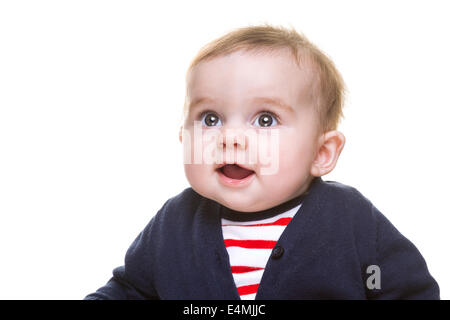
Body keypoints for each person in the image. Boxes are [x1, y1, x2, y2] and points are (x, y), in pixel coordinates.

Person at [85, 24, 439, 300]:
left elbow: (406, 290)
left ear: (322, 153)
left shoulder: (353, 222)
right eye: (210, 119)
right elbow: (131, 290)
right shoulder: (173, 223)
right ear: (183, 137)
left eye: (265, 120)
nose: (230, 137)